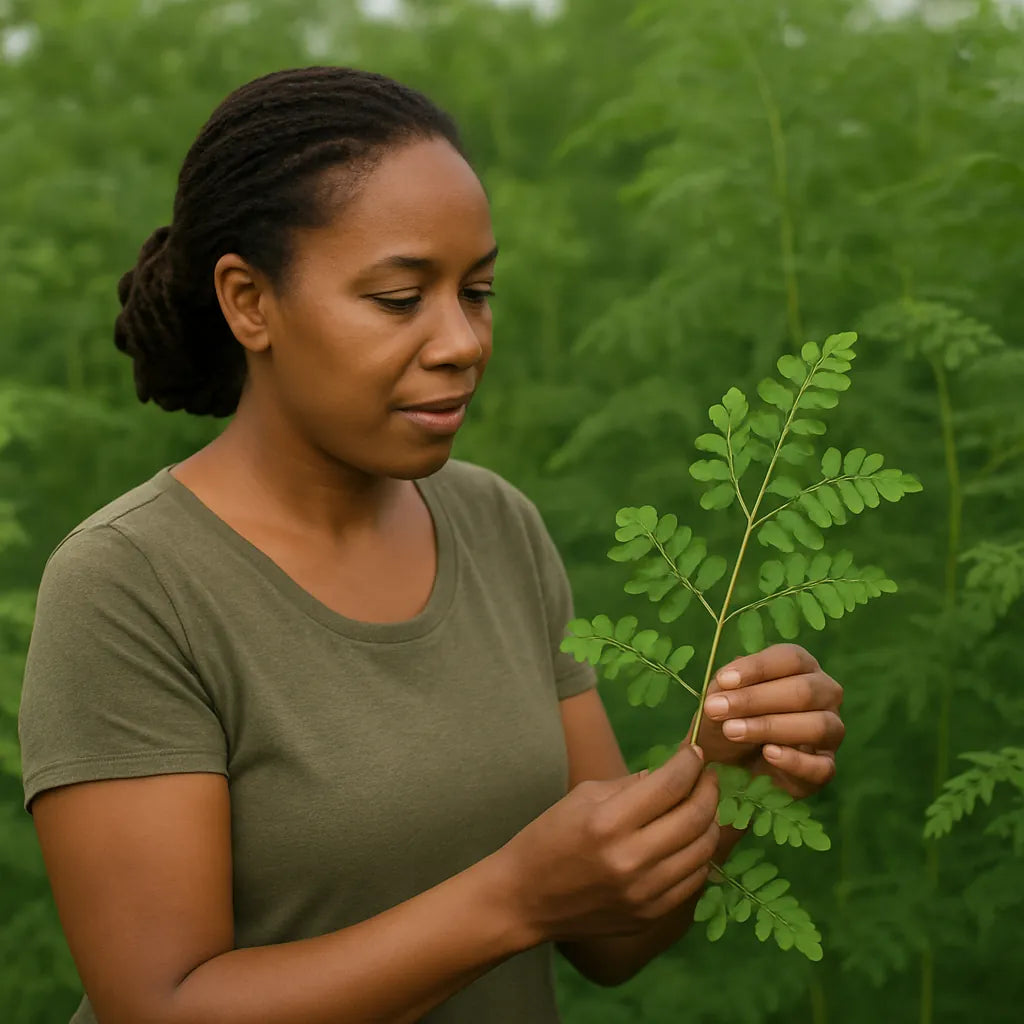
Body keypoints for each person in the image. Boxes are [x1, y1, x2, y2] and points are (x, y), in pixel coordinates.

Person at [17, 66, 844, 1024]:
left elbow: (609, 939)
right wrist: (512, 900)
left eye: (477, 291)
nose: (463, 342)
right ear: (249, 302)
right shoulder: (130, 584)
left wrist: (725, 778)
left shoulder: (495, 524)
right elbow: (160, 1006)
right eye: (400, 298)